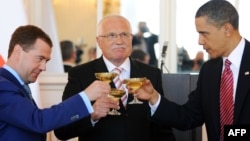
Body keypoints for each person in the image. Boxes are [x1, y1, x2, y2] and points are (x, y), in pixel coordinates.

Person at [127, 1, 250, 141]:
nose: (200, 41)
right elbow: (189, 117)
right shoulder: (209, 70)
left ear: (227, 29)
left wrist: (232, 134)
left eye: (204, 33)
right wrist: (154, 97)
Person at [54, 15, 175, 141]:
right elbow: (62, 130)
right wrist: (92, 115)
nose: (119, 41)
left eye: (124, 34)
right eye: (111, 35)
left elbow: (162, 127)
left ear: (131, 39)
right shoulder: (80, 75)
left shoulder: (151, 74)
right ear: (99, 41)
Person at [0, 25, 118, 141]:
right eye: (40, 58)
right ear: (18, 51)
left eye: (46, 61)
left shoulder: (14, 84)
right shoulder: (3, 85)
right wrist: (86, 96)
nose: (43, 67)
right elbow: (38, 121)